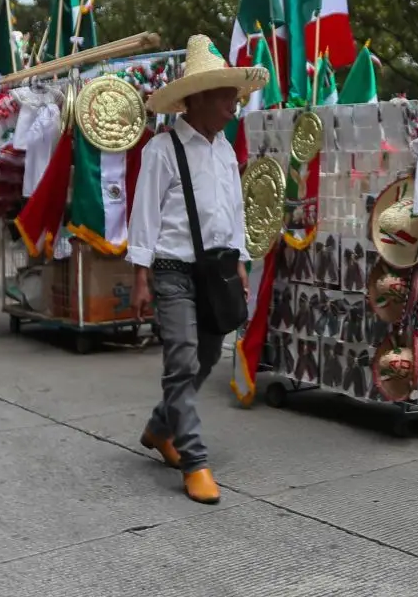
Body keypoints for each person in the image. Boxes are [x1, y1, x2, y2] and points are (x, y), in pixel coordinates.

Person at [128, 35, 267, 505]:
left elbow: (234, 209)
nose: (235, 103)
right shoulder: (163, 149)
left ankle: (158, 428)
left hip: (218, 270)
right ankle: (194, 460)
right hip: (171, 270)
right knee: (182, 360)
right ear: (200, 98)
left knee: (207, 358)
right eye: (227, 95)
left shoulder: (226, 150)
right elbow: (144, 212)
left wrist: (241, 261)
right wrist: (140, 275)